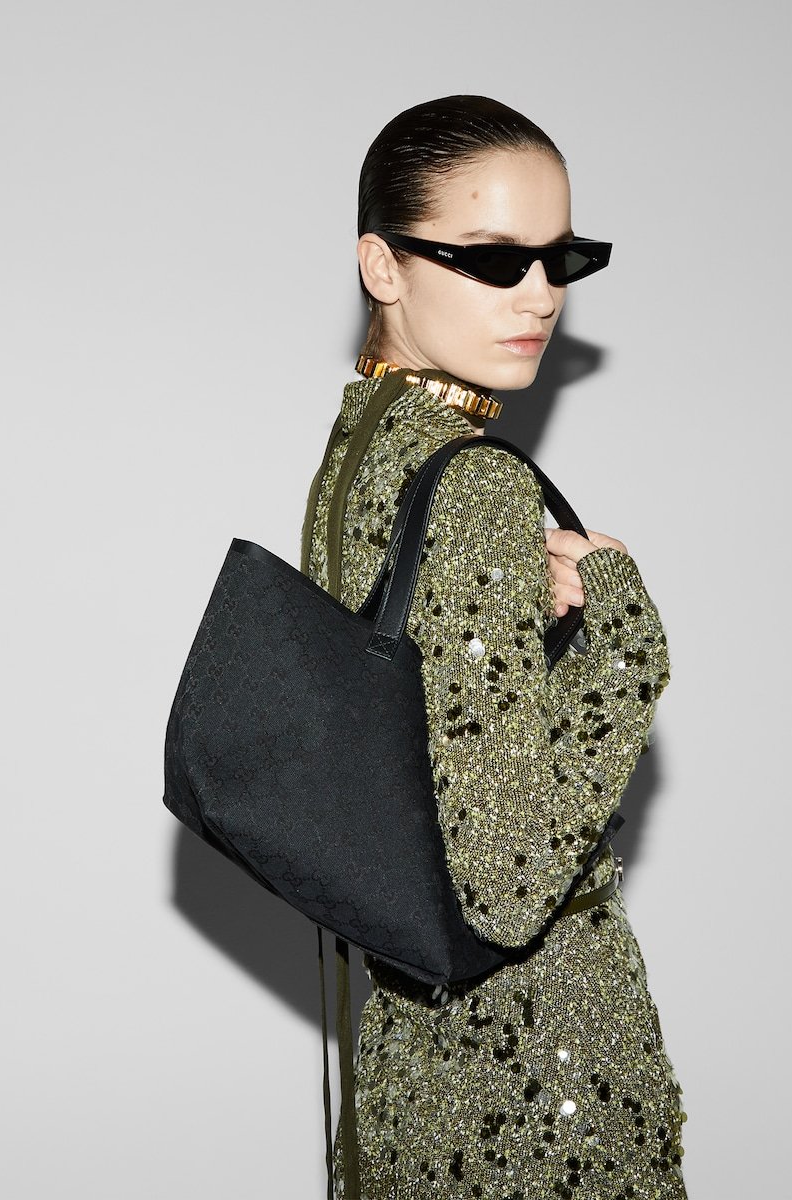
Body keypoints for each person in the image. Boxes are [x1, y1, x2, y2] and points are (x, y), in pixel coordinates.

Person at [301, 95, 686, 1200]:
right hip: (533, 1070)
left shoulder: (360, 451)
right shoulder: (471, 487)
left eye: (559, 258)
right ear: (382, 265)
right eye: (493, 260)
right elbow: (510, 882)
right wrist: (624, 642)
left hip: (414, 1053)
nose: (542, 295)